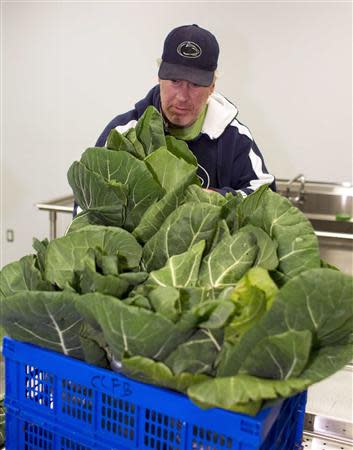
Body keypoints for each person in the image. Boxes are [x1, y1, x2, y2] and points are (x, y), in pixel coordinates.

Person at [95, 24, 276, 196]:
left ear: (212, 86)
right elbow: (88, 205)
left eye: (195, 84)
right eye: (175, 81)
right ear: (159, 77)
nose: (182, 96)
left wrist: (218, 198)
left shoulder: (235, 138)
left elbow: (267, 195)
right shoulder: (123, 133)